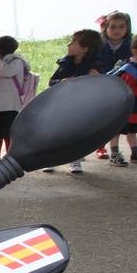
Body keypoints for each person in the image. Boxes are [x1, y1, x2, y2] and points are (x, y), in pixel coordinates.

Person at [44, 29, 103, 174]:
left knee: (77, 134)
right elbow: (52, 82)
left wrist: (97, 78)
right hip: (62, 103)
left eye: (73, 42)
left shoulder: (95, 66)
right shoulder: (65, 63)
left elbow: (103, 86)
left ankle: (75, 160)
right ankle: (51, 159)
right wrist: (62, 81)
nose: (68, 45)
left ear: (84, 48)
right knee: (57, 133)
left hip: (82, 106)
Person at [0, 36, 29, 167]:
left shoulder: (16, 62)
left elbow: (6, 72)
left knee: (8, 134)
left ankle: (9, 157)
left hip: (10, 106)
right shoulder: (1, 63)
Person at [95, 11, 132, 164]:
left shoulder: (130, 45)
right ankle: (100, 146)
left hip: (124, 85)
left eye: (121, 27)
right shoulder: (100, 46)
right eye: (113, 27)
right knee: (101, 116)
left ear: (127, 28)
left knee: (118, 117)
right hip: (104, 85)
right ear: (105, 29)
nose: (117, 30)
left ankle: (117, 149)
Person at [109, 37, 137, 164]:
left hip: (135, 106)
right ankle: (114, 153)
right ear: (135, 50)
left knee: (132, 130)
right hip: (126, 104)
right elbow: (124, 86)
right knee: (117, 130)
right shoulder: (128, 68)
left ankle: (135, 152)